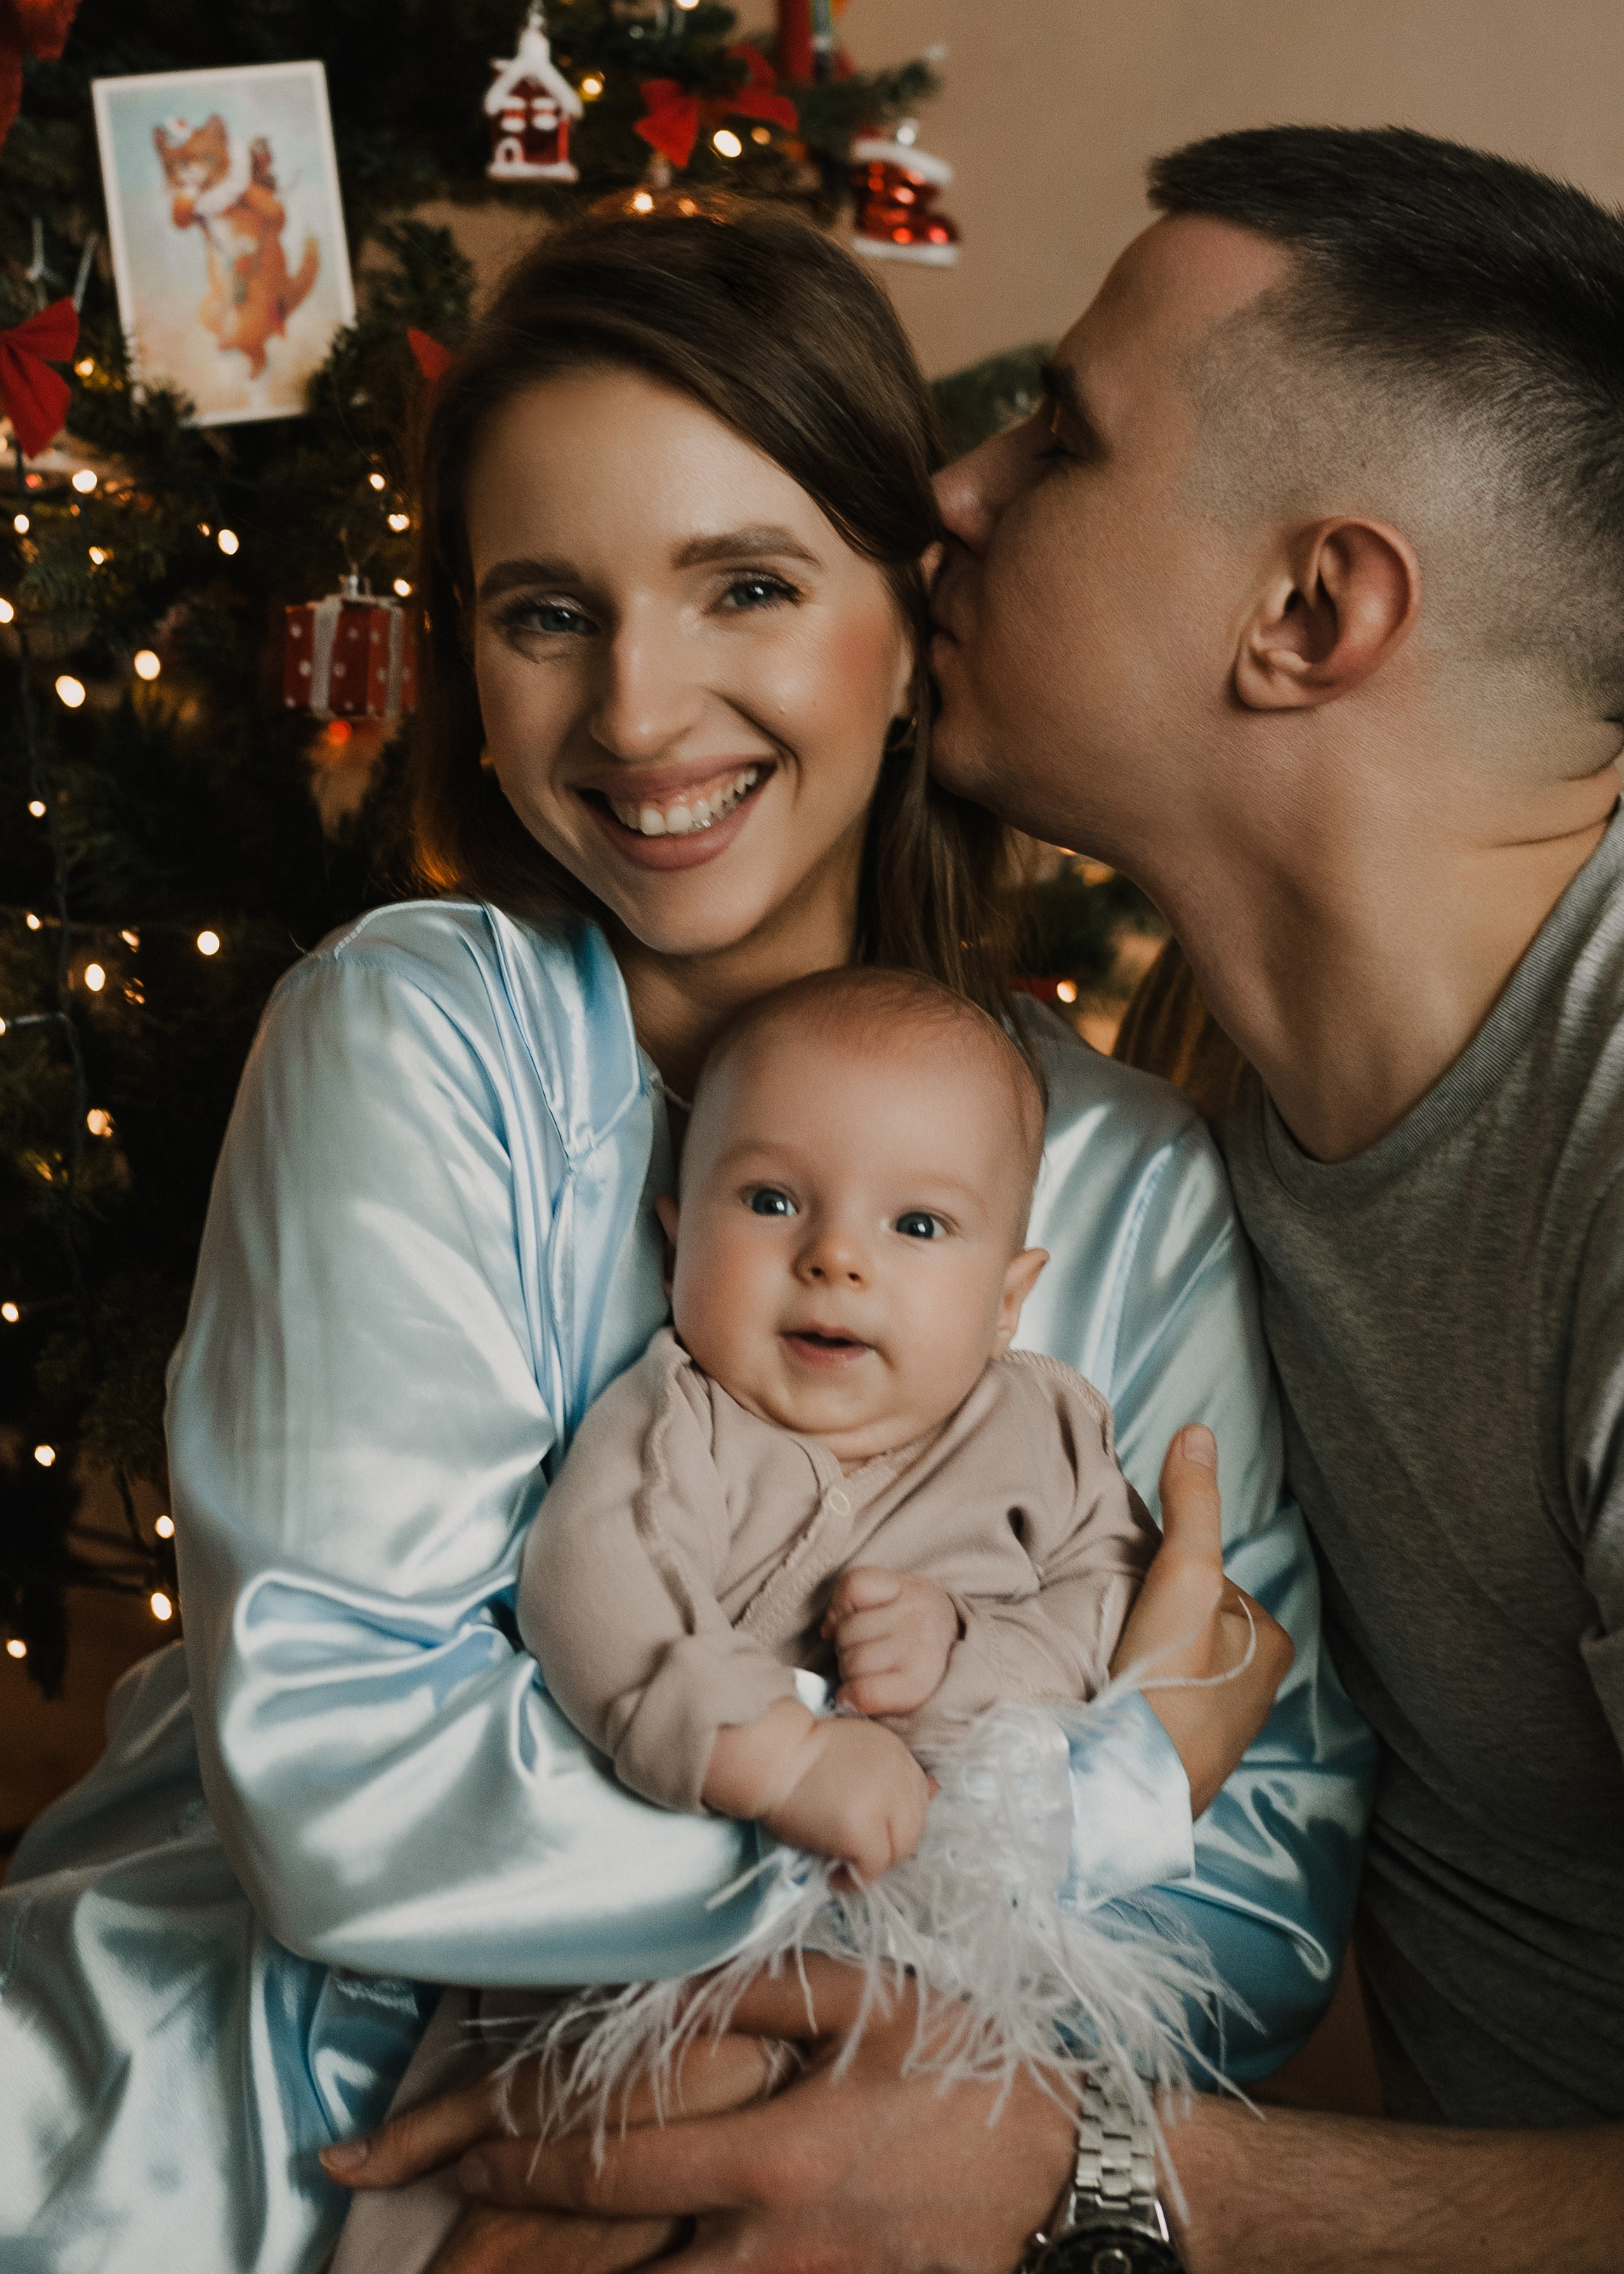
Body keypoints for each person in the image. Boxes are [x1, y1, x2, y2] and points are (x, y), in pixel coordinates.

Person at [0, 209, 1366, 2274]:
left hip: (850, 2170)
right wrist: (1057, 1807)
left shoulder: (1124, 1183)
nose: (641, 711)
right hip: (243, 2131)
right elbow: (350, 1791)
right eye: (548, 611)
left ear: (914, 627)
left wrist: (763, 2100)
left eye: (746, 585)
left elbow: (1257, 1883)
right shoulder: (419, 1035)